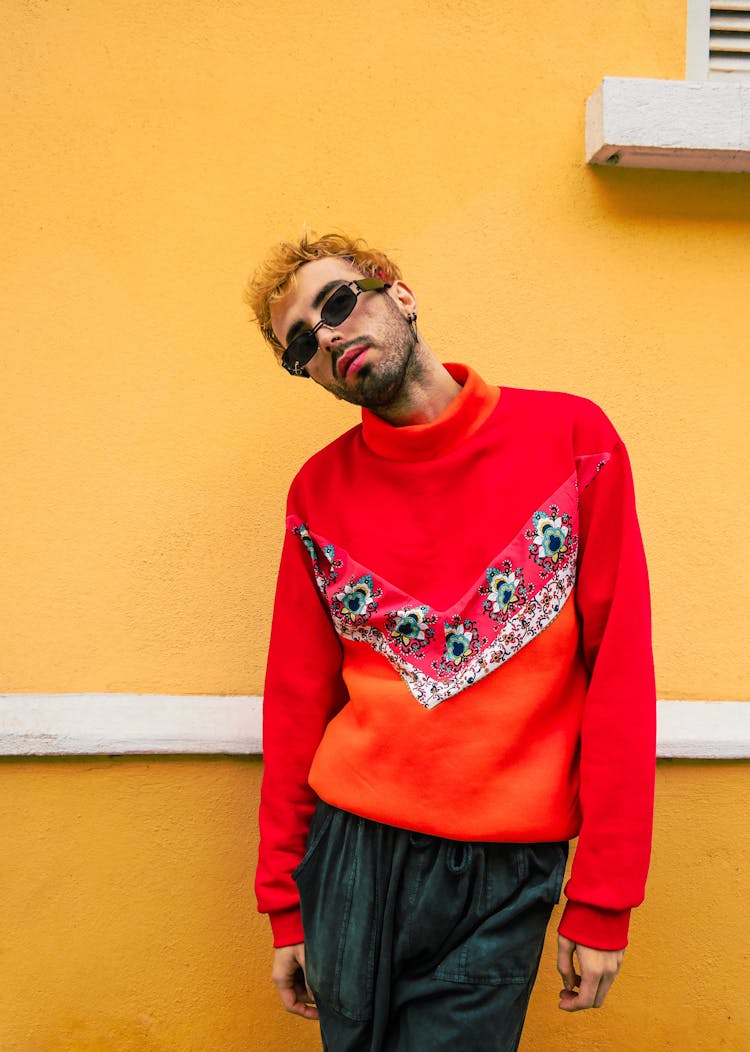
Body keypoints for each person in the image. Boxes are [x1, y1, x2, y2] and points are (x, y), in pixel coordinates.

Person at [247, 232, 656, 1052]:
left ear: (396, 293)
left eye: (337, 303)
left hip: (503, 873)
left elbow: (620, 673)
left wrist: (604, 898)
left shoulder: (573, 439)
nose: (327, 337)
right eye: (302, 346)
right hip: (350, 855)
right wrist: (284, 900)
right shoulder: (317, 491)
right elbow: (297, 701)